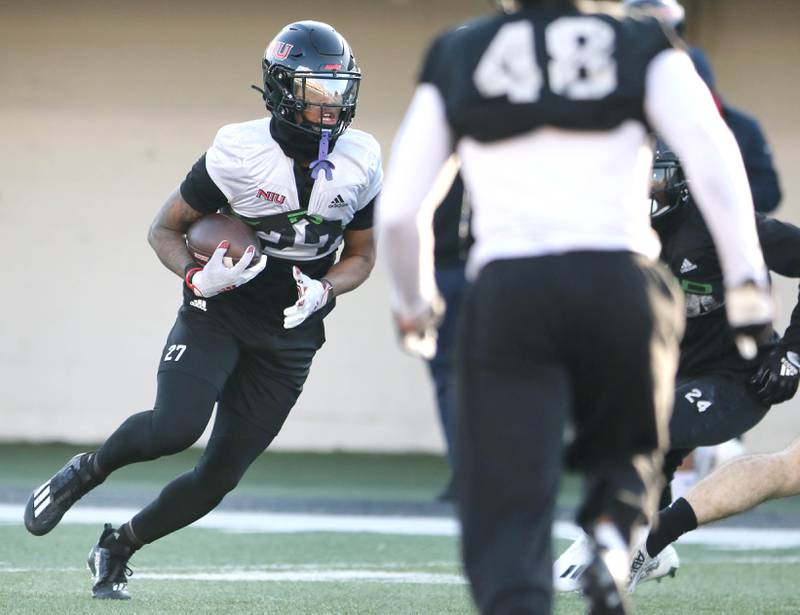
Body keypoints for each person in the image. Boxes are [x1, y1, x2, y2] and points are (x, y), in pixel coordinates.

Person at [377, 1, 773, 613]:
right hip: (620, 278)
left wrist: (413, 303)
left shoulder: (463, 50)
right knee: (630, 450)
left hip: (510, 286)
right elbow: (715, 158)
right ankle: (614, 540)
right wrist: (748, 282)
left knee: (509, 491)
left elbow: (402, 209)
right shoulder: (645, 44)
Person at [23, 20, 382, 600]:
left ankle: (119, 545)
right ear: (281, 89)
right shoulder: (239, 152)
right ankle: (86, 471)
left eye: (340, 89)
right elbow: (164, 229)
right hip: (222, 306)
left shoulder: (362, 156)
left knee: (220, 476)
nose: (331, 104)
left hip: (293, 327)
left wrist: (328, 289)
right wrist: (196, 274)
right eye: (317, 90)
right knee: (174, 427)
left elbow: (362, 256)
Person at [554, 146, 800, 593]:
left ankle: (630, 543)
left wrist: (793, 350)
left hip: (738, 378)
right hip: (672, 371)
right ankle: (640, 542)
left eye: (654, 179)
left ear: (682, 184)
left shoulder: (720, 222)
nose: (643, 190)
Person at [625, 0, 783, 213]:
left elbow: (769, 194)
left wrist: (710, 195)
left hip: (717, 228)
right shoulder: (634, 122)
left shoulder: (741, 127)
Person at [427, 170, 473, 501]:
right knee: (450, 376)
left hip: (477, 268)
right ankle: (468, 472)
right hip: (446, 269)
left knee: (452, 379)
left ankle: (469, 473)